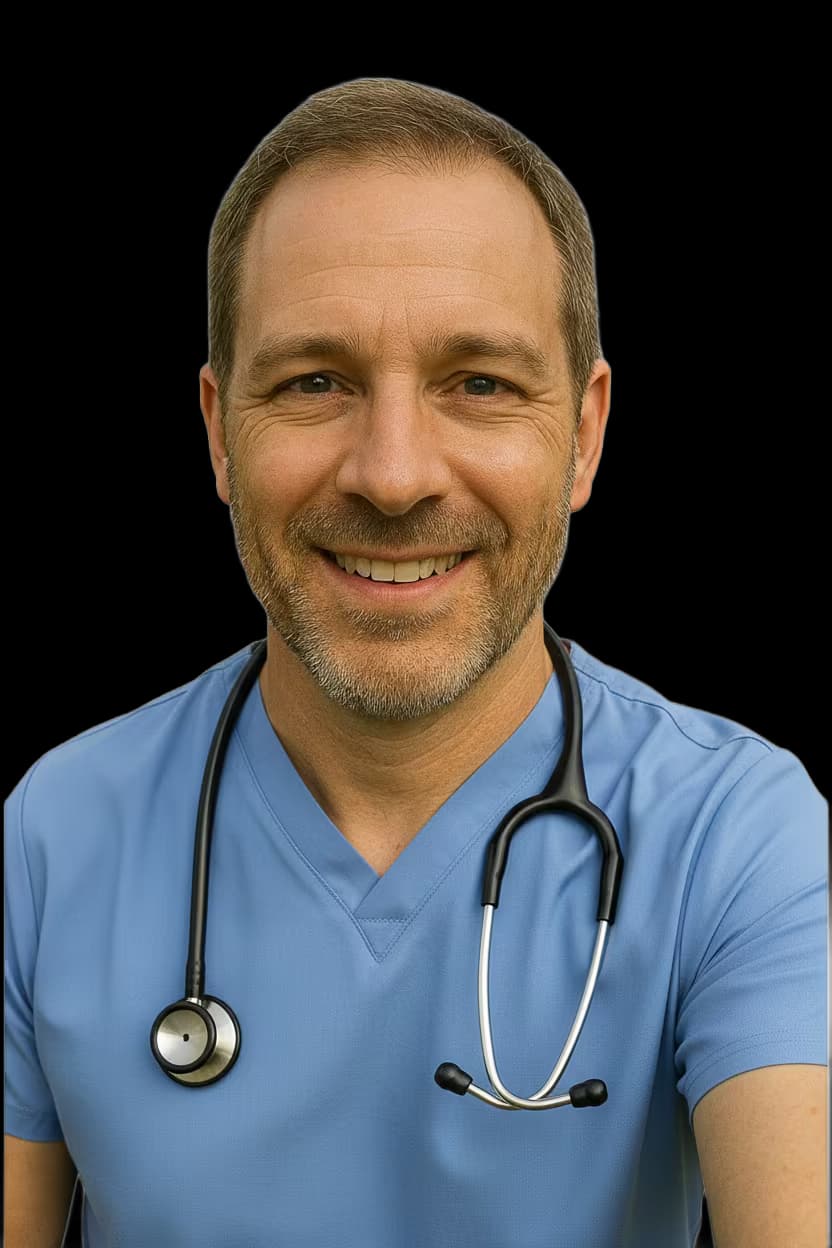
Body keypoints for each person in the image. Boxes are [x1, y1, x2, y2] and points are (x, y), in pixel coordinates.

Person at [4, 77, 827, 1248]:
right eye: (314, 383)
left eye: (478, 383)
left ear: (584, 434)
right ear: (216, 431)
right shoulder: (51, 839)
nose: (392, 476)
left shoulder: (738, 836)